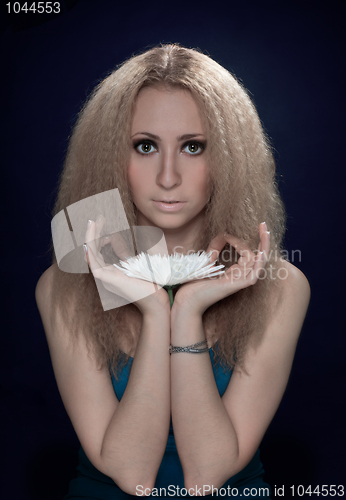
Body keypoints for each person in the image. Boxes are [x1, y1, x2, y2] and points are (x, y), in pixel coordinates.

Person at [35, 44, 310, 499]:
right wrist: (154, 310)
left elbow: (205, 477)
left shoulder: (282, 287)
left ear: (229, 156)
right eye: (145, 146)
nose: (167, 177)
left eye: (193, 147)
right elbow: (133, 476)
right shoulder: (62, 284)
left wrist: (186, 308)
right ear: (110, 157)